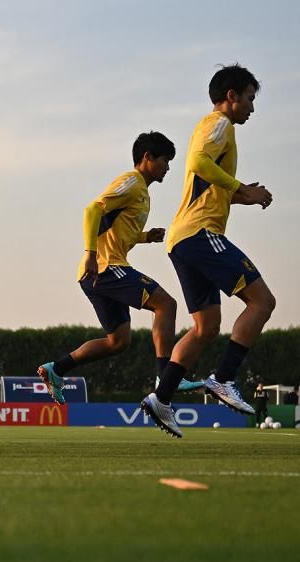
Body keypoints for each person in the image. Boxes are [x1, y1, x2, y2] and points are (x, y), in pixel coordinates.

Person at [141, 65, 275, 437]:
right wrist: (241, 188)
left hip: (182, 239)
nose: (252, 107)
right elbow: (198, 162)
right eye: (250, 99)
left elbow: (206, 178)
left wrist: (243, 194)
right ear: (231, 96)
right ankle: (224, 378)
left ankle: (161, 397)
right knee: (263, 302)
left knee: (205, 326)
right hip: (200, 234)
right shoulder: (220, 125)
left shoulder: (212, 128)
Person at [38, 132, 203, 401]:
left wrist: (145, 236)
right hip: (104, 267)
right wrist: (91, 253)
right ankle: (166, 376)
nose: (168, 167)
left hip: (96, 273)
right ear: (147, 157)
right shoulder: (132, 181)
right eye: (165, 160)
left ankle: (57, 369)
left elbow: (115, 229)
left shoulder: (143, 194)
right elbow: (92, 210)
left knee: (118, 342)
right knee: (166, 304)